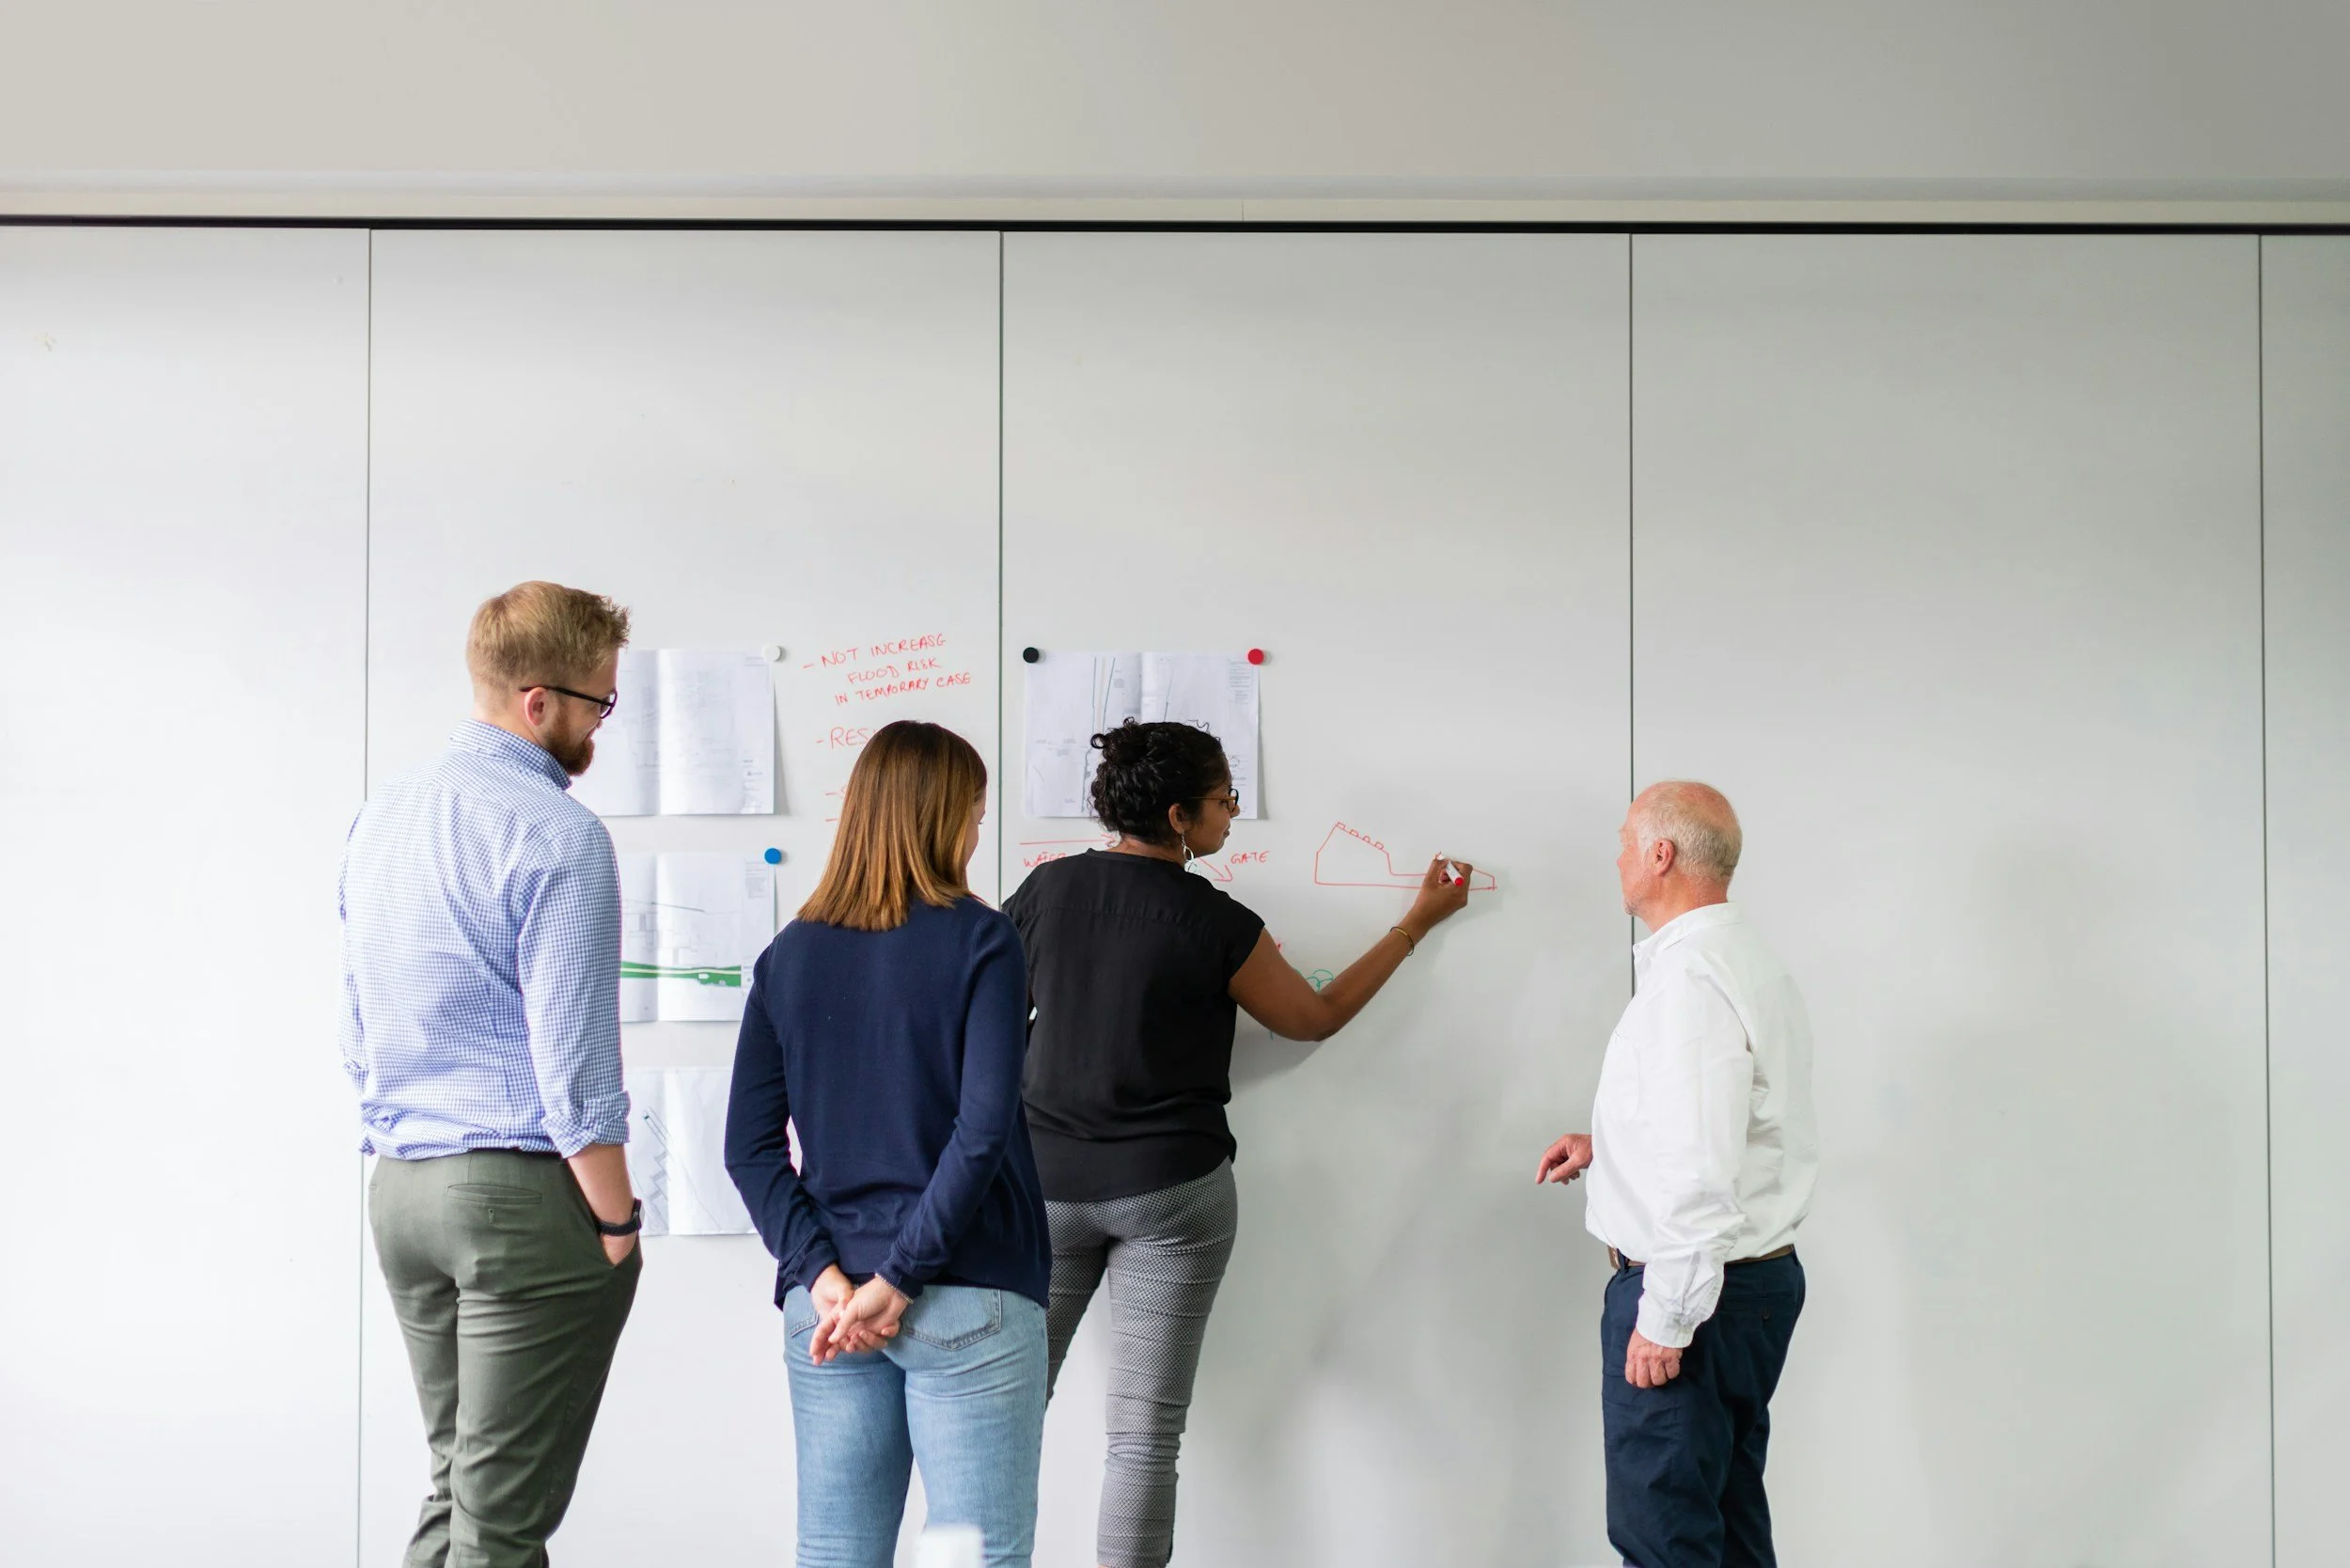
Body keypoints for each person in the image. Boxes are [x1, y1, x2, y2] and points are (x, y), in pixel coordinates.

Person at [1005, 720, 1475, 1568]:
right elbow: (1312, 1019)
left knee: (1003, 1413)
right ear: (1181, 815)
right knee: (1144, 1437)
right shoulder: (1217, 921)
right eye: (1226, 800)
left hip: (1043, 1186)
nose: (1235, 814)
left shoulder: (1045, 893)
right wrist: (1416, 922)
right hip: (1171, 1192)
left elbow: (996, 1019)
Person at [339, 580, 645, 1568]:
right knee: (504, 1522)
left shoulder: (380, 817)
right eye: (598, 701)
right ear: (537, 701)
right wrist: (617, 1220)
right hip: (518, 1195)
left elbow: (356, 1021)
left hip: (401, 1190)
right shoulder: (558, 833)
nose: (603, 722)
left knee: (461, 1487)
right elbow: (575, 1064)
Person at [725, 720, 1051, 1568]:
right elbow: (980, 1133)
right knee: (971, 1556)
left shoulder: (787, 955)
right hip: (966, 1294)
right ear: (943, 817)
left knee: (836, 1554)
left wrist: (829, 1279)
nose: (979, 831)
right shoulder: (984, 940)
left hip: (827, 1309)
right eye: (975, 811)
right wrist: (898, 1279)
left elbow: (749, 1150)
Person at [1535, 781, 1819, 1568]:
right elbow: (1732, 1118)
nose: (1619, 858)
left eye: (1627, 842)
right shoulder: (1741, 959)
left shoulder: (1690, 980)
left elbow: (1701, 1169)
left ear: (1661, 856)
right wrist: (1609, 1143)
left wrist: (1667, 1316)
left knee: (1665, 1541)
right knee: (1725, 1529)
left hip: (1694, 1291)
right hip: (1748, 1288)